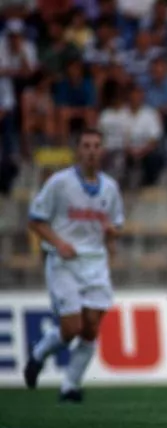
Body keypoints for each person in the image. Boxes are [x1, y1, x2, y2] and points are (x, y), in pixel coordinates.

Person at [24, 128, 125, 402]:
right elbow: (35, 219)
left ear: (101, 151)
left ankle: (70, 385)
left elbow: (114, 228)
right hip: (64, 262)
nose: (91, 150)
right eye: (86, 145)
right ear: (78, 150)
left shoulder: (110, 188)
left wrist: (111, 237)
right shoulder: (60, 183)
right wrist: (58, 243)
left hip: (95, 263)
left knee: (91, 327)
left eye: (96, 146)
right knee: (71, 329)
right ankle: (38, 354)